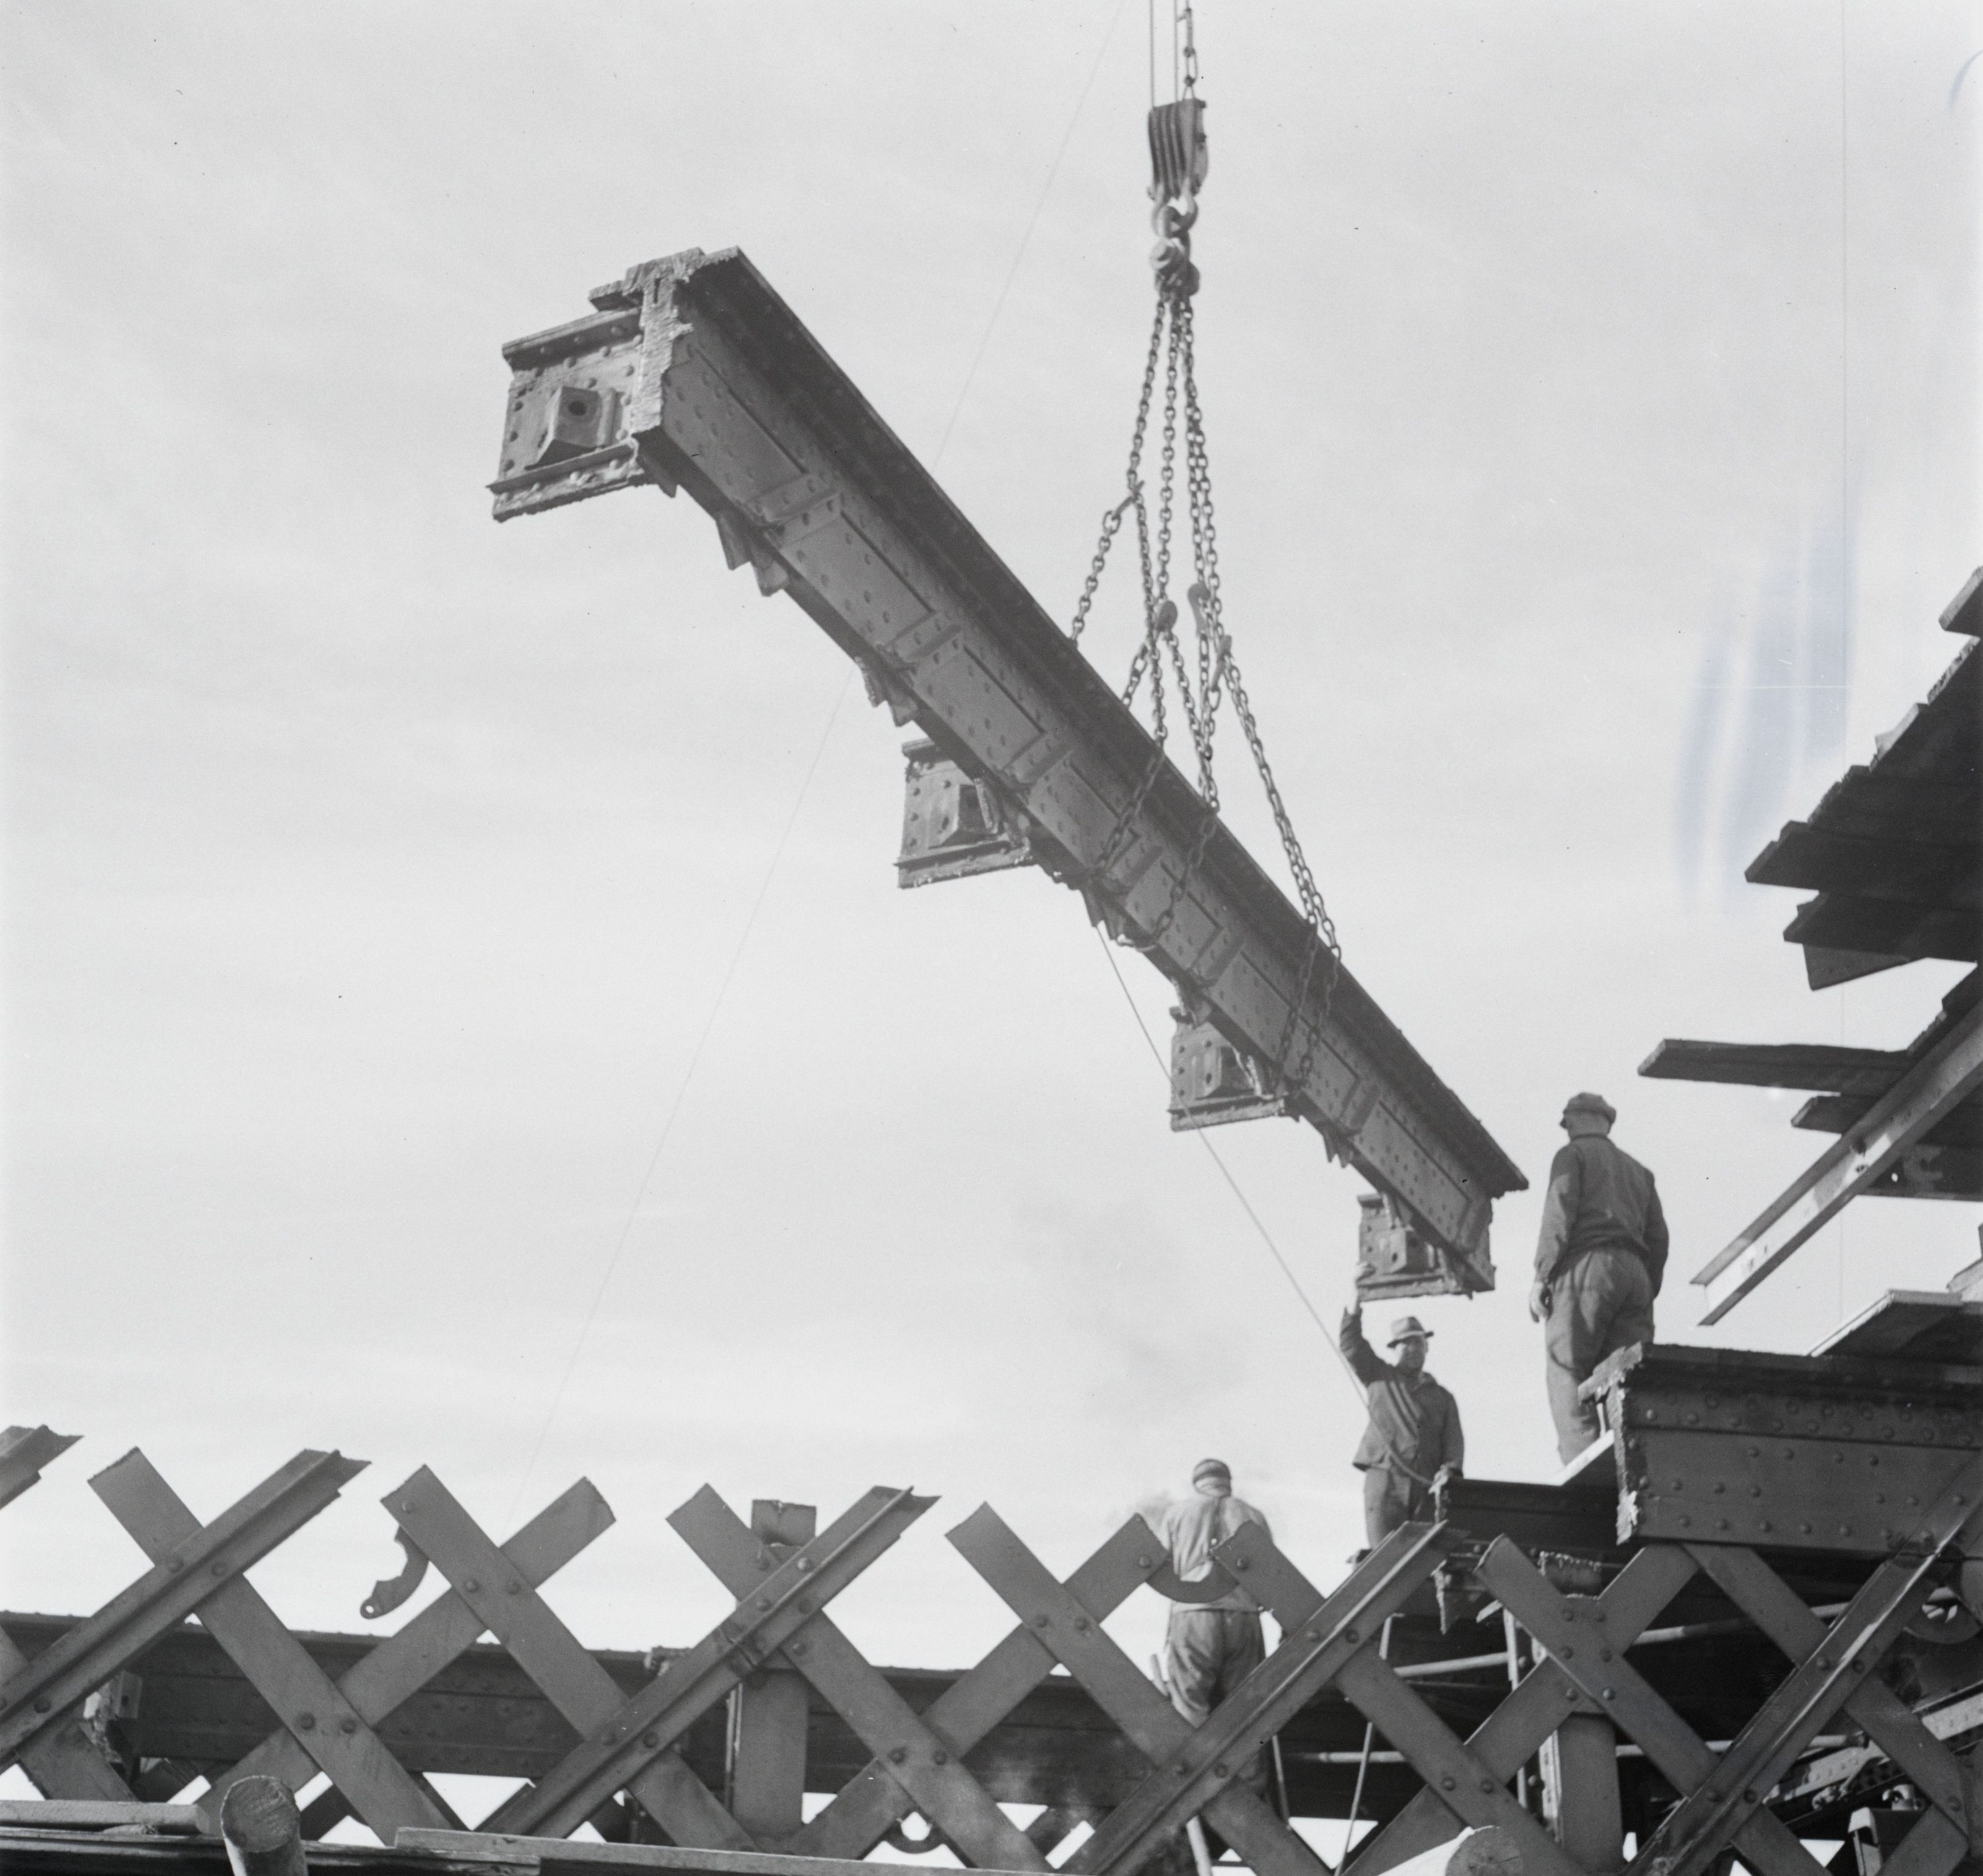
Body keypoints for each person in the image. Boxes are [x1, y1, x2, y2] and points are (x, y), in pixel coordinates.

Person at [1530, 1091, 1669, 1461]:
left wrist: (1542, 1277)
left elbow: (1558, 1217)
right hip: (1636, 1275)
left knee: (1567, 1369)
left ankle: (1584, 1463)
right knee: (1627, 1374)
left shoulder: (1571, 1156)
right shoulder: (1640, 1172)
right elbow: (1659, 1238)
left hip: (1587, 1270)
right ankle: (1635, 1459)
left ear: (1577, 1120)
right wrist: (1645, 1287)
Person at [1156, 1459, 1271, 1792]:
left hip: (1193, 1615)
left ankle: (1193, 1785)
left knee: (1189, 1703)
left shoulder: (1177, 1513)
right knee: (1245, 1706)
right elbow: (1272, 1573)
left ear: (1197, 1483)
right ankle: (1247, 1788)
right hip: (1244, 1616)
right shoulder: (1253, 1515)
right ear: (1227, 1482)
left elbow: (1160, 1570)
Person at [1337, 1308, 1465, 1546]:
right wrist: (1353, 1313)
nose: (1413, 1348)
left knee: (1423, 1560)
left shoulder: (1443, 1398)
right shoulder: (1378, 1376)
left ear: (1427, 1346)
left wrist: (1449, 1471)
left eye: (1418, 1342)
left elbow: (1454, 1445)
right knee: (1384, 1557)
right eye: (1406, 1343)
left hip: (1426, 1490)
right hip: (1385, 1484)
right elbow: (1351, 1345)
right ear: (1394, 1348)